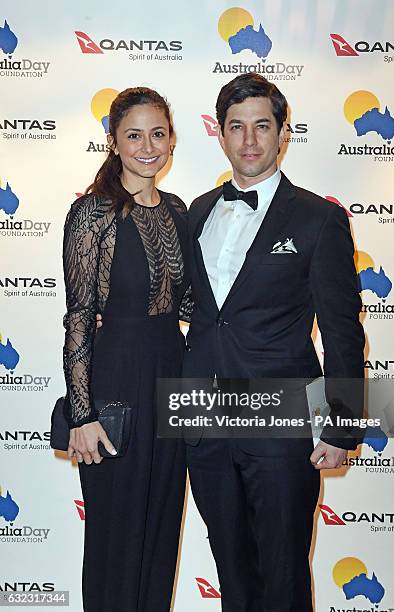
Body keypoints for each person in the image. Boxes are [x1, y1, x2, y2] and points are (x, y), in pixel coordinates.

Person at [183, 74, 365, 612]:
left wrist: (341, 424)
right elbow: (199, 312)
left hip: (281, 425)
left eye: (262, 126)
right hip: (206, 420)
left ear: (283, 133)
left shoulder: (318, 218)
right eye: (236, 127)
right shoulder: (196, 212)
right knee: (232, 571)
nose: (249, 141)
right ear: (220, 134)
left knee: (283, 574)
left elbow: (342, 330)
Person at [62, 87, 191, 612]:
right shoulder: (93, 214)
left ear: (172, 141)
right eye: (134, 134)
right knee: (115, 537)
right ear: (113, 141)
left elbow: (189, 305)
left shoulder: (179, 210)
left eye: (157, 134)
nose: (147, 146)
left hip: (172, 377)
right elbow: (77, 317)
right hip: (114, 381)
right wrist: (82, 413)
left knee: (161, 528)